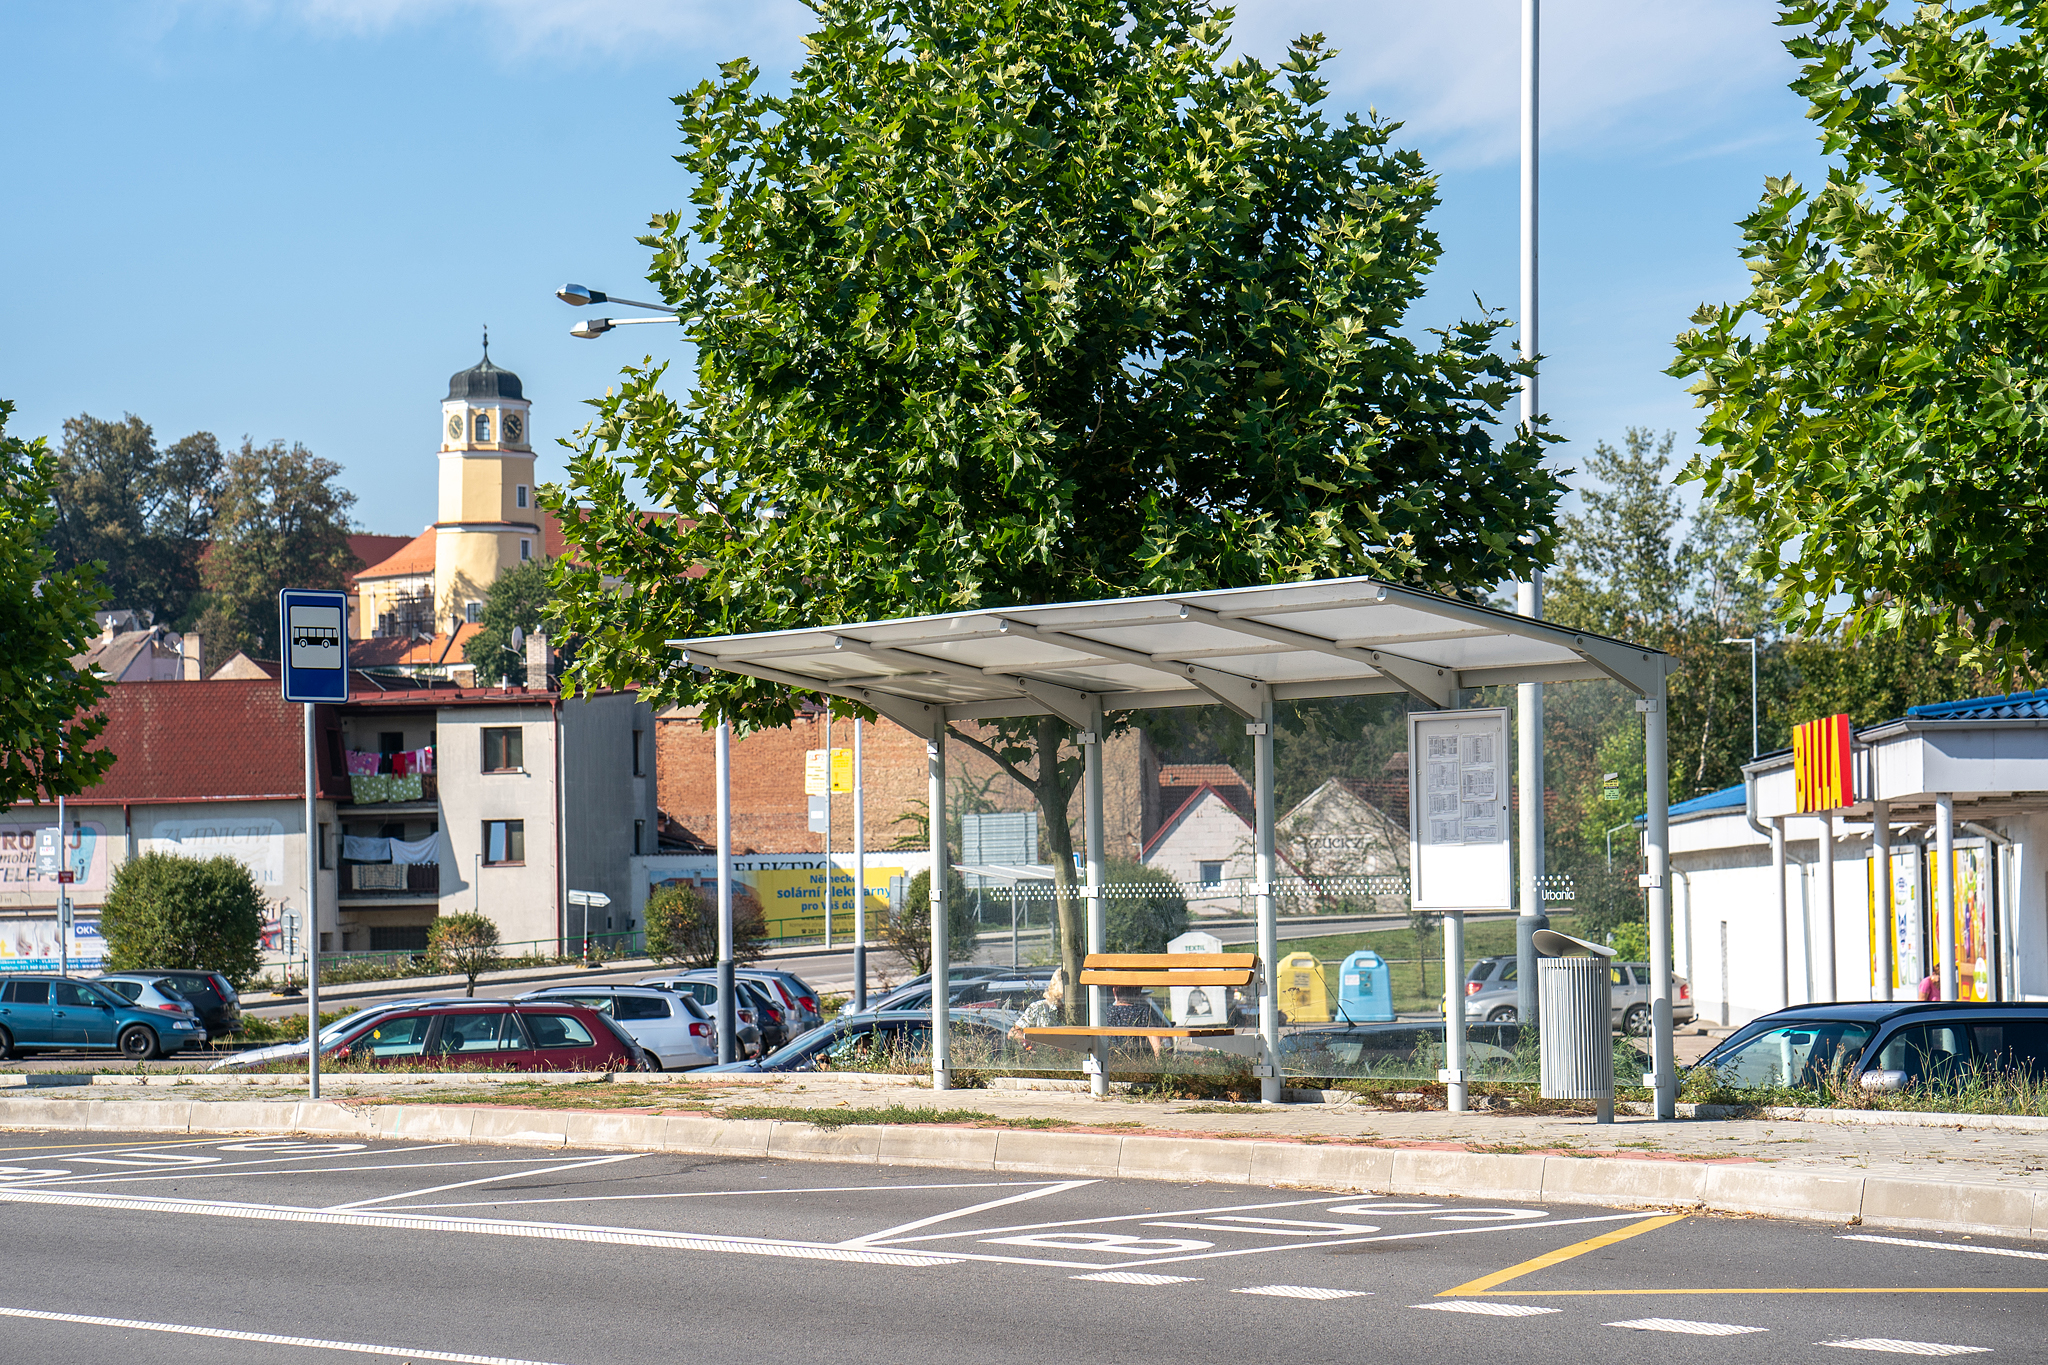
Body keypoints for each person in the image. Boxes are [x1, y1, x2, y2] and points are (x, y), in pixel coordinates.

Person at [1008, 968, 1066, 1049]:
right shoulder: (1039, 1008)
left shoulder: (1084, 1009)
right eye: (1061, 998)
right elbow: (1013, 1033)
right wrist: (1036, 1041)